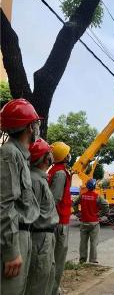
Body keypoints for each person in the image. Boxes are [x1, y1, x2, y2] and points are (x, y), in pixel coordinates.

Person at [0, 99, 41, 295]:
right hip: (15, 237)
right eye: (35, 123)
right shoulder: (9, 153)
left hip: (24, 234)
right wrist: (11, 251)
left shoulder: (21, 155)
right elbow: (4, 204)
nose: (37, 127)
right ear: (29, 127)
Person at [25, 139, 59, 295]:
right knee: (37, 282)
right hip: (40, 238)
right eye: (49, 153)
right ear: (45, 158)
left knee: (46, 277)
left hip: (46, 237)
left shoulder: (40, 179)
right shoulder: (35, 180)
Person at [48, 141, 72, 295]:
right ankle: (53, 290)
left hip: (56, 220)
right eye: (68, 153)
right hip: (60, 222)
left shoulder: (55, 170)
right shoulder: (61, 173)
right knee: (58, 259)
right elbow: (55, 198)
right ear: (64, 156)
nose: (70, 155)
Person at [74, 179, 109, 264]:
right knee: (93, 243)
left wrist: (77, 213)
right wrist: (100, 214)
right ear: (94, 186)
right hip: (94, 223)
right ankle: (92, 260)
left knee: (83, 242)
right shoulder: (97, 196)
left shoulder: (82, 196)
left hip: (83, 222)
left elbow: (74, 203)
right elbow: (106, 205)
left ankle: (82, 260)